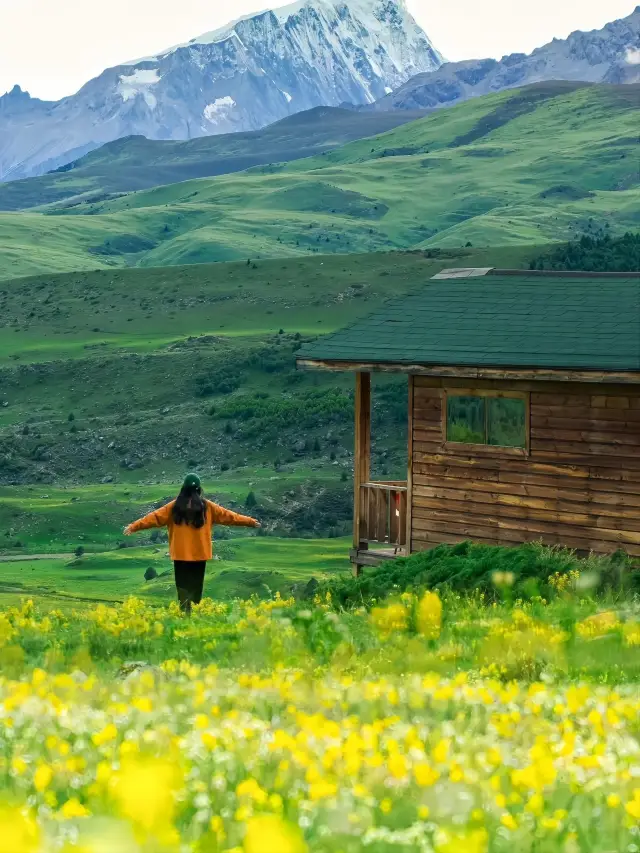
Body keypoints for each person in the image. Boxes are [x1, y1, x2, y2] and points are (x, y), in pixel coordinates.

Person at [124, 473, 260, 612]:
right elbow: (229, 516)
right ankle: (195, 613)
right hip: (199, 554)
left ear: (183, 488)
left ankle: (185, 612)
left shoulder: (173, 507)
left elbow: (153, 518)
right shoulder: (207, 507)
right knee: (196, 585)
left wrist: (134, 526)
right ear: (199, 489)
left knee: (182, 586)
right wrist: (249, 521)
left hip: (181, 554)